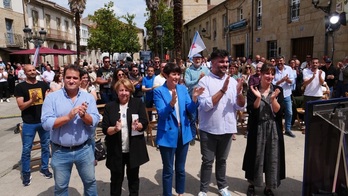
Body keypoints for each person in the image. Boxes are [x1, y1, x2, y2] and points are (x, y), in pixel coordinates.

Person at [41, 65, 100, 195]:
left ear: (80, 80)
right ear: (63, 78)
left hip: (84, 149)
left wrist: (84, 116)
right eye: (68, 77)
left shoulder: (88, 97)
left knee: (90, 182)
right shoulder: (52, 98)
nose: (71, 81)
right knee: (61, 187)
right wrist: (68, 117)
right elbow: (46, 123)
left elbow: (95, 120)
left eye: (75, 78)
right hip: (60, 151)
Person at [197, 49, 245, 196]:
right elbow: (205, 105)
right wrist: (223, 90)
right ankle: (203, 189)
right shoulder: (204, 81)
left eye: (226, 61)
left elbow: (240, 106)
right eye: (221, 62)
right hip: (208, 129)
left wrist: (239, 93)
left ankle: (222, 186)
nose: (225, 64)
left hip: (227, 129)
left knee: (222, 160)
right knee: (207, 161)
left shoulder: (233, 82)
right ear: (213, 62)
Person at [153, 62, 204, 196]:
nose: (176, 77)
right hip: (167, 134)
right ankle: (167, 194)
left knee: (180, 168)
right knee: (168, 169)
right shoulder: (159, 91)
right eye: (173, 74)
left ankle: (180, 192)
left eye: (178, 74)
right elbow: (162, 115)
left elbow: (190, 110)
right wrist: (171, 103)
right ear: (166, 75)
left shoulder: (182, 89)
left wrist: (194, 99)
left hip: (183, 133)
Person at [242, 63, 286, 196]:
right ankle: (252, 184)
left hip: (273, 127)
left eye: (272, 74)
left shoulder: (278, 90)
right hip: (258, 127)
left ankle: (269, 186)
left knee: (272, 156)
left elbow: (279, 111)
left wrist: (273, 99)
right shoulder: (253, 89)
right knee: (256, 156)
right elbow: (252, 110)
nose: (270, 76)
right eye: (267, 73)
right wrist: (259, 97)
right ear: (261, 74)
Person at [102, 78, 149, 196]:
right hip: (116, 150)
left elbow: (144, 122)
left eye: (127, 90)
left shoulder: (137, 103)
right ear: (117, 91)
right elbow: (105, 128)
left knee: (133, 180)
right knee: (116, 181)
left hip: (133, 149)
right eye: (121, 90)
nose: (124, 93)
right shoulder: (110, 106)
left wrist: (139, 125)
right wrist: (115, 129)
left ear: (131, 91)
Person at [14, 64, 52, 186]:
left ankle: (44, 168)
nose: (32, 72)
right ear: (24, 73)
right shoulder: (20, 87)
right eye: (29, 70)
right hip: (29, 122)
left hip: (43, 121)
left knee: (46, 146)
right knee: (26, 149)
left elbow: (48, 99)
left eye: (33, 70)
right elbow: (21, 106)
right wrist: (32, 100)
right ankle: (26, 172)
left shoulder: (42, 84)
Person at [184, 53, 210, 145]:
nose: (197, 60)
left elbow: (209, 82)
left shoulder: (206, 70)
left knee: (203, 117)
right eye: (195, 59)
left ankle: (204, 136)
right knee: (193, 118)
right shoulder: (188, 70)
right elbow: (187, 83)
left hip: (203, 97)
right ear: (192, 60)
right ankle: (192, 136)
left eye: (199, 58)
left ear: (202, 59)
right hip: (193, 97)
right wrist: (198, 79)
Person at [273, 56, 295, 138]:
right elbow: (273, 83)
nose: (279, 62)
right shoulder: (274, 70)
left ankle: (288, 129)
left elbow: (292, 81)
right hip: (277, 95)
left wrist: (287, 80)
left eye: (281, 61)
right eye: (278, 61)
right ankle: (278, 129)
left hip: (287, 94)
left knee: (289, 112)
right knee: (277, 113)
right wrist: (282, 80)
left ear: (284, 61)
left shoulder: (289, 69)